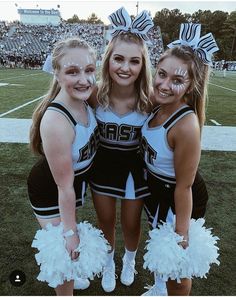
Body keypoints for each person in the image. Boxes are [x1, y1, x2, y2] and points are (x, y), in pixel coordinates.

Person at [141, 23, 219, 296]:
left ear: (190, 86)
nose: (164, 84)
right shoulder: (157, 100)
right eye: (161, 75)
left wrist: (182, 235)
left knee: (177, 263)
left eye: (177, 80)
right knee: (160, 251)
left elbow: (183, 186)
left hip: (180, 197)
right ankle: (160, 287)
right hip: (157, 191)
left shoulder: (185, 125)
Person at [87, 7, 154, 293]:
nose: (125, 67)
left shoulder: (151, 99)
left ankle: (128, 260)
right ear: (108, 60)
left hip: (135, 171)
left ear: (142, 65)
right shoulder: (93, 93)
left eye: (134, 61)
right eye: (119, 59)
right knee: (104, 220)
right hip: (102, 167)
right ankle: (107, 263)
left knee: (130, 222)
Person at [27, 37, 99, 295]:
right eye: (72, 71)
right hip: (52, 189)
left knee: (70, 246)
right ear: (56, 73)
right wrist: (69, 233)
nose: (84, 79)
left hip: (71, 184)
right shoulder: (56, 120)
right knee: (64, 254)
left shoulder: (85, 98)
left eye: (89, 70)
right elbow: (64, 187)